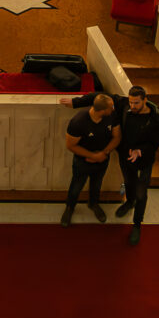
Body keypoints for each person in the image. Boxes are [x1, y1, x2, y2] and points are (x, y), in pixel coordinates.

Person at [113, 81, 159, 243]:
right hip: (125, 155)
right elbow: (106, 98)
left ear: (145, 100)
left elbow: (156, 143)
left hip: (143, 160)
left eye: (136, 103)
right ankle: (129, 201)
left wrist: (139, 151)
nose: (132, 106)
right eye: (131, 102)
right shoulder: (125, 106)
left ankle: (137, 225)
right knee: (129, 182)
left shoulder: (154, 118)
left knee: (141, 192)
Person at [64, 91, 117, 225]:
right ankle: (69, 208)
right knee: (76, 186)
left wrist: (103, 154)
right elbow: (70, 145)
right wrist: (93, 156)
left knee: (96, 184)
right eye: (111, 107)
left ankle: (93, 204)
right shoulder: (78, 121)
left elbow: (118, 136)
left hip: (103, 160)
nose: (113, 109)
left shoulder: (112, 116)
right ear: (103, 110)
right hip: (82, 162)